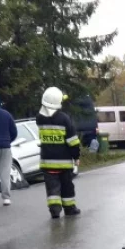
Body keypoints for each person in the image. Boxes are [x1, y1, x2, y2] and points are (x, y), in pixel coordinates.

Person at [36, 87, 82, 219]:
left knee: (52, 189)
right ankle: (69, 209)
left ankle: (54, 211)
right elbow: (72, 141)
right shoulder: (64, 119)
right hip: (63, 163)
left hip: (47, 162)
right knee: (67, 186)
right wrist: (76, 156)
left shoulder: (39, 118)